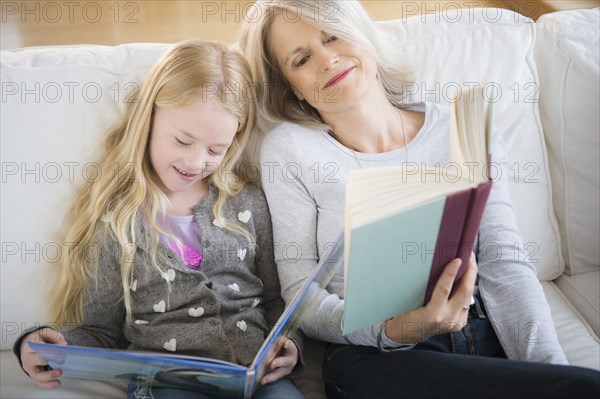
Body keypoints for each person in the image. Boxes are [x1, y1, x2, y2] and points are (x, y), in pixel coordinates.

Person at [239, 1, 600, 398]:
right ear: (292, 86)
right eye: (302, 58)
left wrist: (550, 372)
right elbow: (301, 297)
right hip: (378, 355)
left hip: (481, 330)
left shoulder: (460, 126)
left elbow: (505, 261)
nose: (328, 59)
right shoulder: (290, 150)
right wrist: (399, 330)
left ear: (361, 35)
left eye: (333, 36)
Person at [14, 39, 304, 399]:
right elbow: (99, 331)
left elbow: (278, 302)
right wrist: (48, 345)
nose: (196, 163)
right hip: (168, 381)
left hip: (255, 375)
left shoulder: (247, 203)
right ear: (149, 120)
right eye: (183, 141)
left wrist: (290, 345)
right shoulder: (117, 221)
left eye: (216, 149)